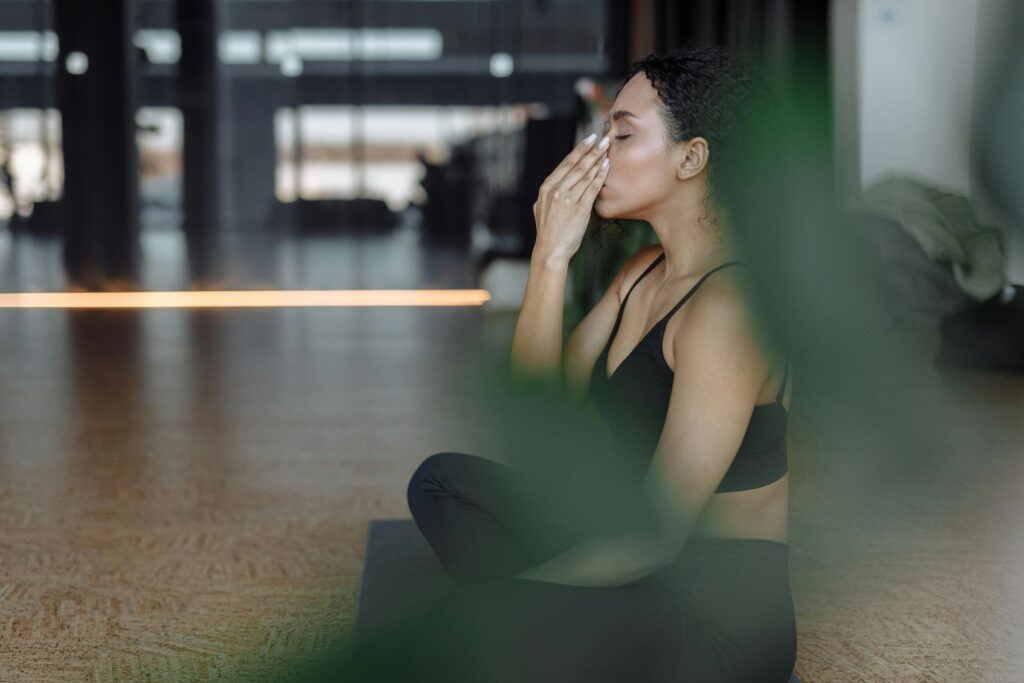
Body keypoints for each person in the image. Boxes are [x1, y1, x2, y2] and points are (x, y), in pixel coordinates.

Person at [398, 44, 796, 682]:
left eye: (622, 134)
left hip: (713, 620)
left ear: (692, 158)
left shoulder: (727, 312)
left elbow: (657, 537)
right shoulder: (641, 275)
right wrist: (549, 258)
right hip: (634, 561)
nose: (598, 153)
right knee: (441, 483)